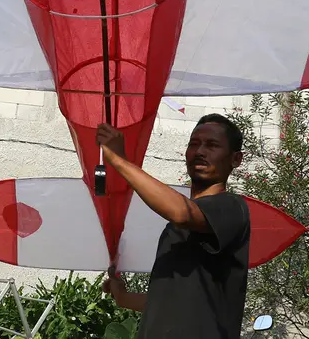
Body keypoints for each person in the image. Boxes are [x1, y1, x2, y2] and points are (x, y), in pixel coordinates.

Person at [96, 113, 251, 339]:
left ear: (235, 159)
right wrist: (123, 297)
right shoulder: (177, 228)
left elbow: (181, 212)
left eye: (212, 145)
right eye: (194, 144)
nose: (199, 151)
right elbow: (166, 299)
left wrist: (119, 160)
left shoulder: (232, 207)